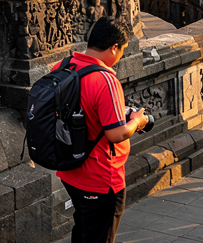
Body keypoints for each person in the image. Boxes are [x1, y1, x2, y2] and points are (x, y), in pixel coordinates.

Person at [55, 18, 149, 243]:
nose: (120, 56)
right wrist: (137, 121)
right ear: (114, 47)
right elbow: (115, 134)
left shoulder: (64, 66)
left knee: (84, 230)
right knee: (99, 236)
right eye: (122, 50)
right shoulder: (105, 80)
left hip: (70, 170)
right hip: (100, 177)